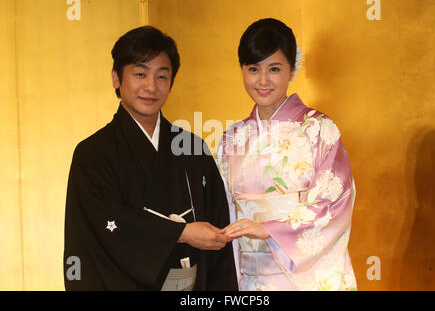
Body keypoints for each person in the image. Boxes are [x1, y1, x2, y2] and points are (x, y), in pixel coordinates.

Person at [64, 26, 237, 290]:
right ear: (116, 78)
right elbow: (104, 227)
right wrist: (181, 233)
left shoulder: (192, 147)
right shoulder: (93, 153)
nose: (150, 87)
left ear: (171, 83)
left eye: (161, 76)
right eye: (140, 74)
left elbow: (218, 234)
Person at [216, 18, 357, 291]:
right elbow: (221, 205)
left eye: (275, 69)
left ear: (293, 69)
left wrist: (270, 229)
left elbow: (334, 199)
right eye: (253, 69)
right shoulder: (232, 138)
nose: (263, 80)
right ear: (242, 69)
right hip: (249, 275)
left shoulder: (318, 129)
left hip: (301, 274)